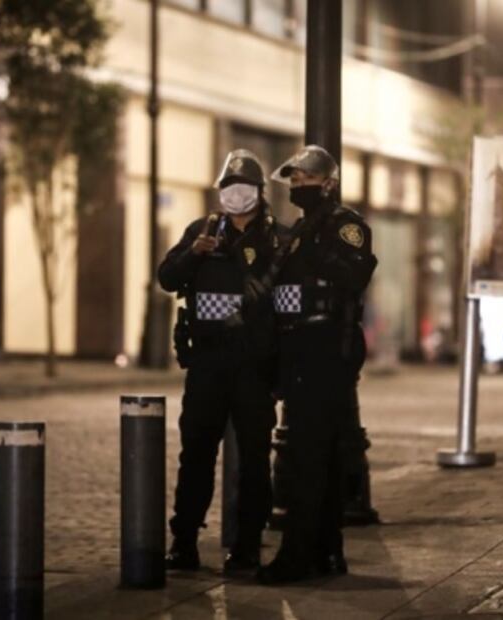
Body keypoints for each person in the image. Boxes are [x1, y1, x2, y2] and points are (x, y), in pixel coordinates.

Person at [158, 149, 285, 573]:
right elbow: (167, 278)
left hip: (254, 365)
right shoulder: (203, 230)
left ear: (260, 192)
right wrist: (193, 253)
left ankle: (246, 546)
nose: (236, 194)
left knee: (253, 458)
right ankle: (184, 542)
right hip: (208, 363)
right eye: (229, 186)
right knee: (196, 453)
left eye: (244, 187)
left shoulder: (278, 240)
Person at [258, 145, 377, 584]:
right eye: (293, 179)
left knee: (307, 457)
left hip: (325, 349)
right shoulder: (302, 228)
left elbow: (354, 275)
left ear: (328, 183)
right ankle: (326, 552)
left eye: (306, 178)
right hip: (298, 350)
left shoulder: (345, 225)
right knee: (319, 456)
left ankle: (297, 556)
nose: (297, 185)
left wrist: (310, 249)